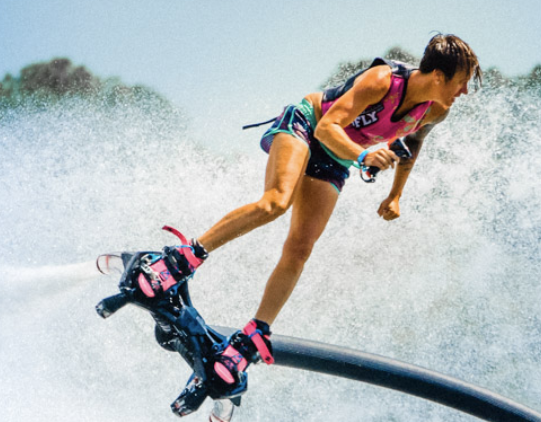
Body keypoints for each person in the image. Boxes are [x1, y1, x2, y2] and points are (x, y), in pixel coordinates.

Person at [130, 34, 482, 388]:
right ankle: (179, 260)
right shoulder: (383, 81)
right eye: (462, 82)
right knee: (276, 203)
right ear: (438, 74)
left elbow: (413, 145)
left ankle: (252, 335)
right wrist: (362, 156)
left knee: (301, 247)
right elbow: (328, 128)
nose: (464, 91)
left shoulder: (437, 109)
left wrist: (395, 196)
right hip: (309, 125)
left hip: (337, 157)